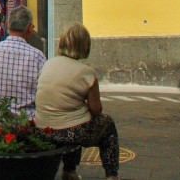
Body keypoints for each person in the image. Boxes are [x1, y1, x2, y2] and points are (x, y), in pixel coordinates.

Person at [35, 22, 120, 180]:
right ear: (84, 45)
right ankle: (112, 175)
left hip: (42, 129)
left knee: (76, 117)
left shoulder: (48, 64)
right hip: (69, 132)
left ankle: (70, 171)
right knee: (107, 125)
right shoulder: (87, 73)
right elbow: (96, 110)